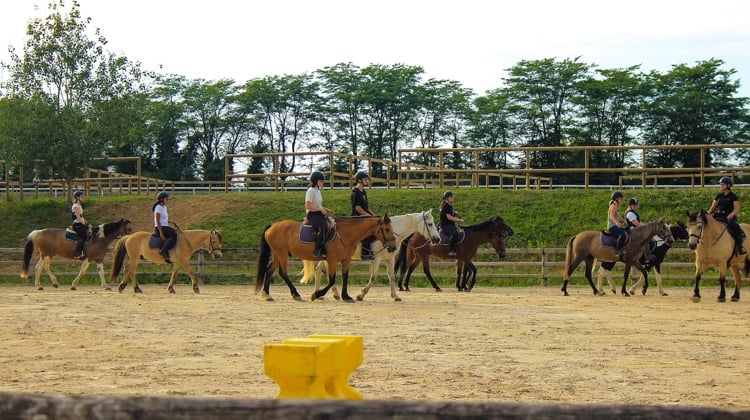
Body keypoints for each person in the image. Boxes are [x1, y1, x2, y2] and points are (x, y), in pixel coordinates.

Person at [708, 176, 746, 255]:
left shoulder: (733, 196)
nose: (721, 185)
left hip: (728, 217)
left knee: (735, 227)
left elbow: (737, 208)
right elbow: (712, 208)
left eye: (723, 184)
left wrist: (732, 214)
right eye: (720, 184)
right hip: (718, 216)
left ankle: (740, 247)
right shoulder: (719, 196)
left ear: (728, 185)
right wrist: (707, 215)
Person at [305, 171, 333, 258]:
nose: (322, 183)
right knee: (323, 227)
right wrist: (320, 209)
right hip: (312, 215)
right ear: (315, 181)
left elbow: (317, 204)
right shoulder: (311, 191)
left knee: (331, 224)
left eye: (322, 181)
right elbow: (308, 205)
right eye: (321, 181)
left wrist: (326, 209)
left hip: (318, 213)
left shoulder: (317, 191)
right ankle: (317, 249)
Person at [351, 171, 376, 260]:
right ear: (359, 180)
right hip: (358, 217)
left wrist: (374, 215)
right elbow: (358, 208)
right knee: (368, 231)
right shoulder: (355, 192)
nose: (367, 181)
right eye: (365, 179)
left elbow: (366, 207)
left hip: (364, 216)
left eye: (367, 179)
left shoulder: (363, 191)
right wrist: (367, 216)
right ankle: (364, 253)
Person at [625, 197, 656, 261]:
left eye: (636, 205)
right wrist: (647, 226)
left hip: (635, 230)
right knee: (645, 239)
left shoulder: (632, 212)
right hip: (633, 231)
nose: (636, 206)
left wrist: (646, 225)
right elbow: (636, 223)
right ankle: (647, 255)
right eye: (634, 205)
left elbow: (639, 222)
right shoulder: (630, 213)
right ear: (630, 206)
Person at [153, 191, 177, 262]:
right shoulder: (158, 208)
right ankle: (163, 251)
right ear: (161, 199)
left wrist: (170, 221)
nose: (167, 201)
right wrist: (161, 233)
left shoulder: (164, 207)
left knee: (176, 232)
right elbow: (157, 221)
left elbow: (163, 219)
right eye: (166, 199)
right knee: (174, 235)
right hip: (160, 227)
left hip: (165, 226)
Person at [439, 191, 463, 256]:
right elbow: (449, 217)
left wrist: (454, 212)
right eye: (451, 197)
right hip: (445, 225)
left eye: (453, 197)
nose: (453, 198)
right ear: (447, 198)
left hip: (450, 224)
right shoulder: (445, 206)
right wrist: (459, 220)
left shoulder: (450, 205)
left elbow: (450, 212)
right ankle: (451, 250)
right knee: (455, 233)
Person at [607, 191, 627, 256]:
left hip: (614, 225)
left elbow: (618, 217)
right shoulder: (613, 206)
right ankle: (617, 250)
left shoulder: (615, 206)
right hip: (612, 226)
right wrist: (617, 223)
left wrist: (624, 221)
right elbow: (611, 216)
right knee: (623, 234)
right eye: (620, 199)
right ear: (616, 199)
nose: (621, 200)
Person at [71, 190, 89, 259]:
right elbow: (78, 217)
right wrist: (83, 223)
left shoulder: (79, 205)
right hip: (77, 225)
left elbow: (81, 216)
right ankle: (78, 252)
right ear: (77, 197)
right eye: (81, 196)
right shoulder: (75, 206)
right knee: (84, 236)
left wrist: (86, 222)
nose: (83, 197)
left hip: (80, 223)